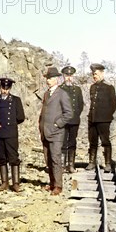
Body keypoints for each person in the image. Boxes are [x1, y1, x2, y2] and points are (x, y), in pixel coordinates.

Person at [39, 67, 74, 195]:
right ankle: (52, 183)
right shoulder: (46, 94)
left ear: (57, 79)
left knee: (56, 158)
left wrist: (57, 124)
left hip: (56, 132)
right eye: (47, 78)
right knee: (48, 159)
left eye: (51, 78)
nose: (48, 81)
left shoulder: (62, 94)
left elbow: (69, 113)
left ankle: (58, 186)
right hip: (45, 132)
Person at [0, 78, 25, 191]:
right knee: (1, 157)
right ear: (0, 87)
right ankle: (4, 183)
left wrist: (11, 123)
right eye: (3, 88)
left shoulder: (16, 100)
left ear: (10, 89)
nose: (5, 91)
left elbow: (21, 117)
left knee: (13, 158)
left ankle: (16, 183)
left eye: (7, 89)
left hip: (11, 133)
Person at [86, 63, 116, 173]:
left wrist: (107, 116)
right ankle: (91, 162)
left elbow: (114, 104)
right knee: (92, 141)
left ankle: (108, 163)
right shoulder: (92, 87)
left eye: (96, 74)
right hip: (93, 119)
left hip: (104, 120)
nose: (95, 76)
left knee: (105, 141)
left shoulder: (109, 87)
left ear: (102, 73)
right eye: (93, 74)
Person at [60, 65, 84, 173]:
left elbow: (80, 105)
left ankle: (71, 165)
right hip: (63, 120)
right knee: (63, 142)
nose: (69, 78)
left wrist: (76, 115)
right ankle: (62, 164)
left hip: (74, 120)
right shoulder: (60, 89)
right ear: (63, 76)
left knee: (72, 142)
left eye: (70, 75)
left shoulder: (77, 90)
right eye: (66, 75)